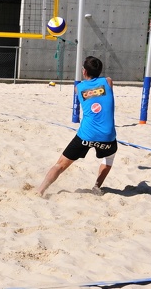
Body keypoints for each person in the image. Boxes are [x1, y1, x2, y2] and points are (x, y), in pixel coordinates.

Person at [36, 56, 116, 197]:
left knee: (60, 164)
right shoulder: (108, 81)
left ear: (84, 72)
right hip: (107, 136)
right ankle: (97, 186)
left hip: (86, 135)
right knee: (108, 159)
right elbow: (104, 83)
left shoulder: (78, 88)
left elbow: (87, 90)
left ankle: (40, 190)